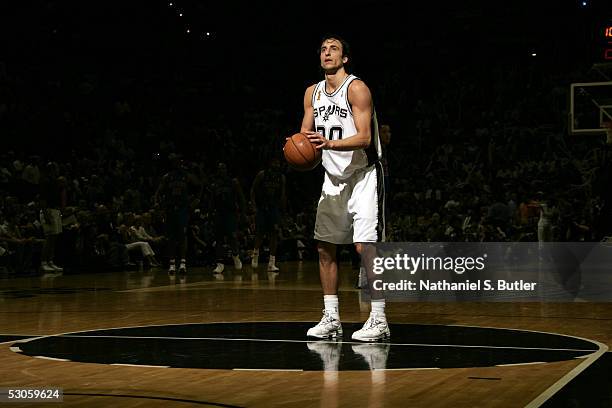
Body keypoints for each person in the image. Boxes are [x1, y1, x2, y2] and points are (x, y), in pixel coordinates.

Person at [301, 34, 389, 342]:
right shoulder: (312, 93)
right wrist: (300, 148)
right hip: (332, 179)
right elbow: (305, 137)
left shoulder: (357, 88)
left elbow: (365, 137)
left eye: (333, 49)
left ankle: (378, 319)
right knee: (324, 247)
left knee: (365, 248)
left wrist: (330, 144)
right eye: (323, 48)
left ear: (345, 58)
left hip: (363, 176)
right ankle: (332, 318)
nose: (327, 52)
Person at [155, 153, 200, 276]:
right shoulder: (167, 177)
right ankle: (172, 263)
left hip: (183, 210)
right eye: (175, 162)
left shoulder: (187, 176)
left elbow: (199, 186)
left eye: (179, 161)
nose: (177, 164)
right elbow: (158, 193)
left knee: (182, 236)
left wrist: (196, 201)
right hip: (170, 210)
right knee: (171, 238)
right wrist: (158, 205)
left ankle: (183, 263)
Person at [209, 162, 247, 274]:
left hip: (231, 214)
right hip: (219, 214)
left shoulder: (233, 182)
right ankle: (220, 264)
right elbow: (212, 201)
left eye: (223, 168)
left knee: (232, 237)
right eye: (220, 168)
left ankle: (236, 256)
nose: (222, 170)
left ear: (226, 170)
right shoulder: (214, 184)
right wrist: (210, 214)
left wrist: (243, 213)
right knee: (219, 239)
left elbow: (241, 198)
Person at [250, 157, 286, 272]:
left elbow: (283, 195)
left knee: (274, 234)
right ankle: (255, 254)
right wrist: (254, 205)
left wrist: (282, 210)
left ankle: (271, 263)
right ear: (270, 163)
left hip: (274, 208)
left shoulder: (281, 178)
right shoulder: (262, 175)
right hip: (262, 207)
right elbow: (253, 190)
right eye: (275, 161)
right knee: (260, 233)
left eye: (278, 162)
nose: (277, 164)